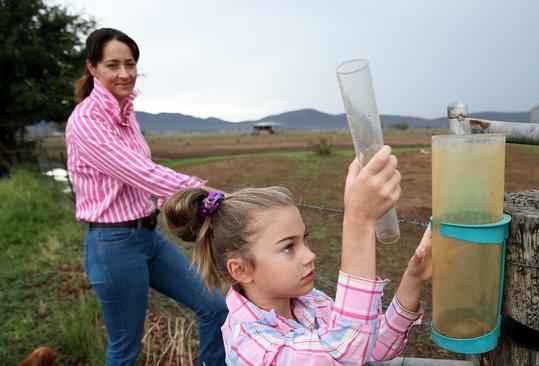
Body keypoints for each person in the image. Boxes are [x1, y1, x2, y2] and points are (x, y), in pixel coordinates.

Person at [164, 145, 432, 365]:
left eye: (304, 240)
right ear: (241, 269)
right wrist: (358, 222)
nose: (309, 256)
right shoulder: (252, 346)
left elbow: (374, 346)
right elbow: (347, 351)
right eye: (288, 247)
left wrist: (414, 278)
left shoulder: (309, 302)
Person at [65, 28, 228, 366]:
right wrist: (203, 193)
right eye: (113, 65)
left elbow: (143, 168)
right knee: (125, 349)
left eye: (130, 64)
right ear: (92, 68)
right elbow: (141, 173)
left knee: (216, 307)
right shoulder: (86, 121)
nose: (124, 73)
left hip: (147, 236)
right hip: (113, 245)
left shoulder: (127, 113)